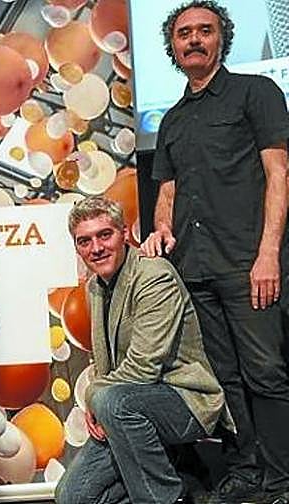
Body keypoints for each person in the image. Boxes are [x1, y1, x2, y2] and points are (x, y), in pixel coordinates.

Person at [142, 1, 289, 502]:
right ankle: (247, 472)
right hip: (195, 270)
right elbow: (167, 191)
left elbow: (278, 174)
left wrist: (268, 254)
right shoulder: (172, 120)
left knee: (265, 373)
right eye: (184, 33)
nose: (194, 39)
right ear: (173, 46)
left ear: (220, 38)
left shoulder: (256, 92)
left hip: (248, 264)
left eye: (205, 30)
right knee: (223, 378)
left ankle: (282, 479)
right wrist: (161, 229)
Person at [55, 197, 231, 504]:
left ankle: (165, 498)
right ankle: (183, 485)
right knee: (72, 496)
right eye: (85, 241)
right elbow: (105, 363)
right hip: (125, 408)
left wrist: (94, 396)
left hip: (184, 400)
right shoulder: (94, 287)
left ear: (124, 233)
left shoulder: (154, 276)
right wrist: (99, 401)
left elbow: (143, 369)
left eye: (105, 235)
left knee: (112, 402)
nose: (96, 248)